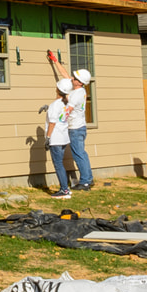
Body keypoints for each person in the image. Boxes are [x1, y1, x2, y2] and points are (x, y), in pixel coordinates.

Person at [47, 54, 95, 191]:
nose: (72, 78)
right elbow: (65, 74)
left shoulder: (77, 95)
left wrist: (55, 117)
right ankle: (88, 178)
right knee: (81, 153)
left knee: (78, 154)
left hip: (75, 128)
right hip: (79, 127)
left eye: (74, 78)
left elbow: (66, 112)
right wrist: (55, 61)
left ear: (79, 82)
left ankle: (85, 182)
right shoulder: (77, 89)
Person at [45, 80, 73, 198]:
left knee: (58, 164)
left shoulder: (55, 105)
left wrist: (48, 137)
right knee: (60, 163)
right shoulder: (65, 103)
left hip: (55, 138)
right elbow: (59, 115)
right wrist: (48, 108)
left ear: (58, 89)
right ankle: (65, 188)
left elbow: (52, 123)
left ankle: (64, 190)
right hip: (63, 137)